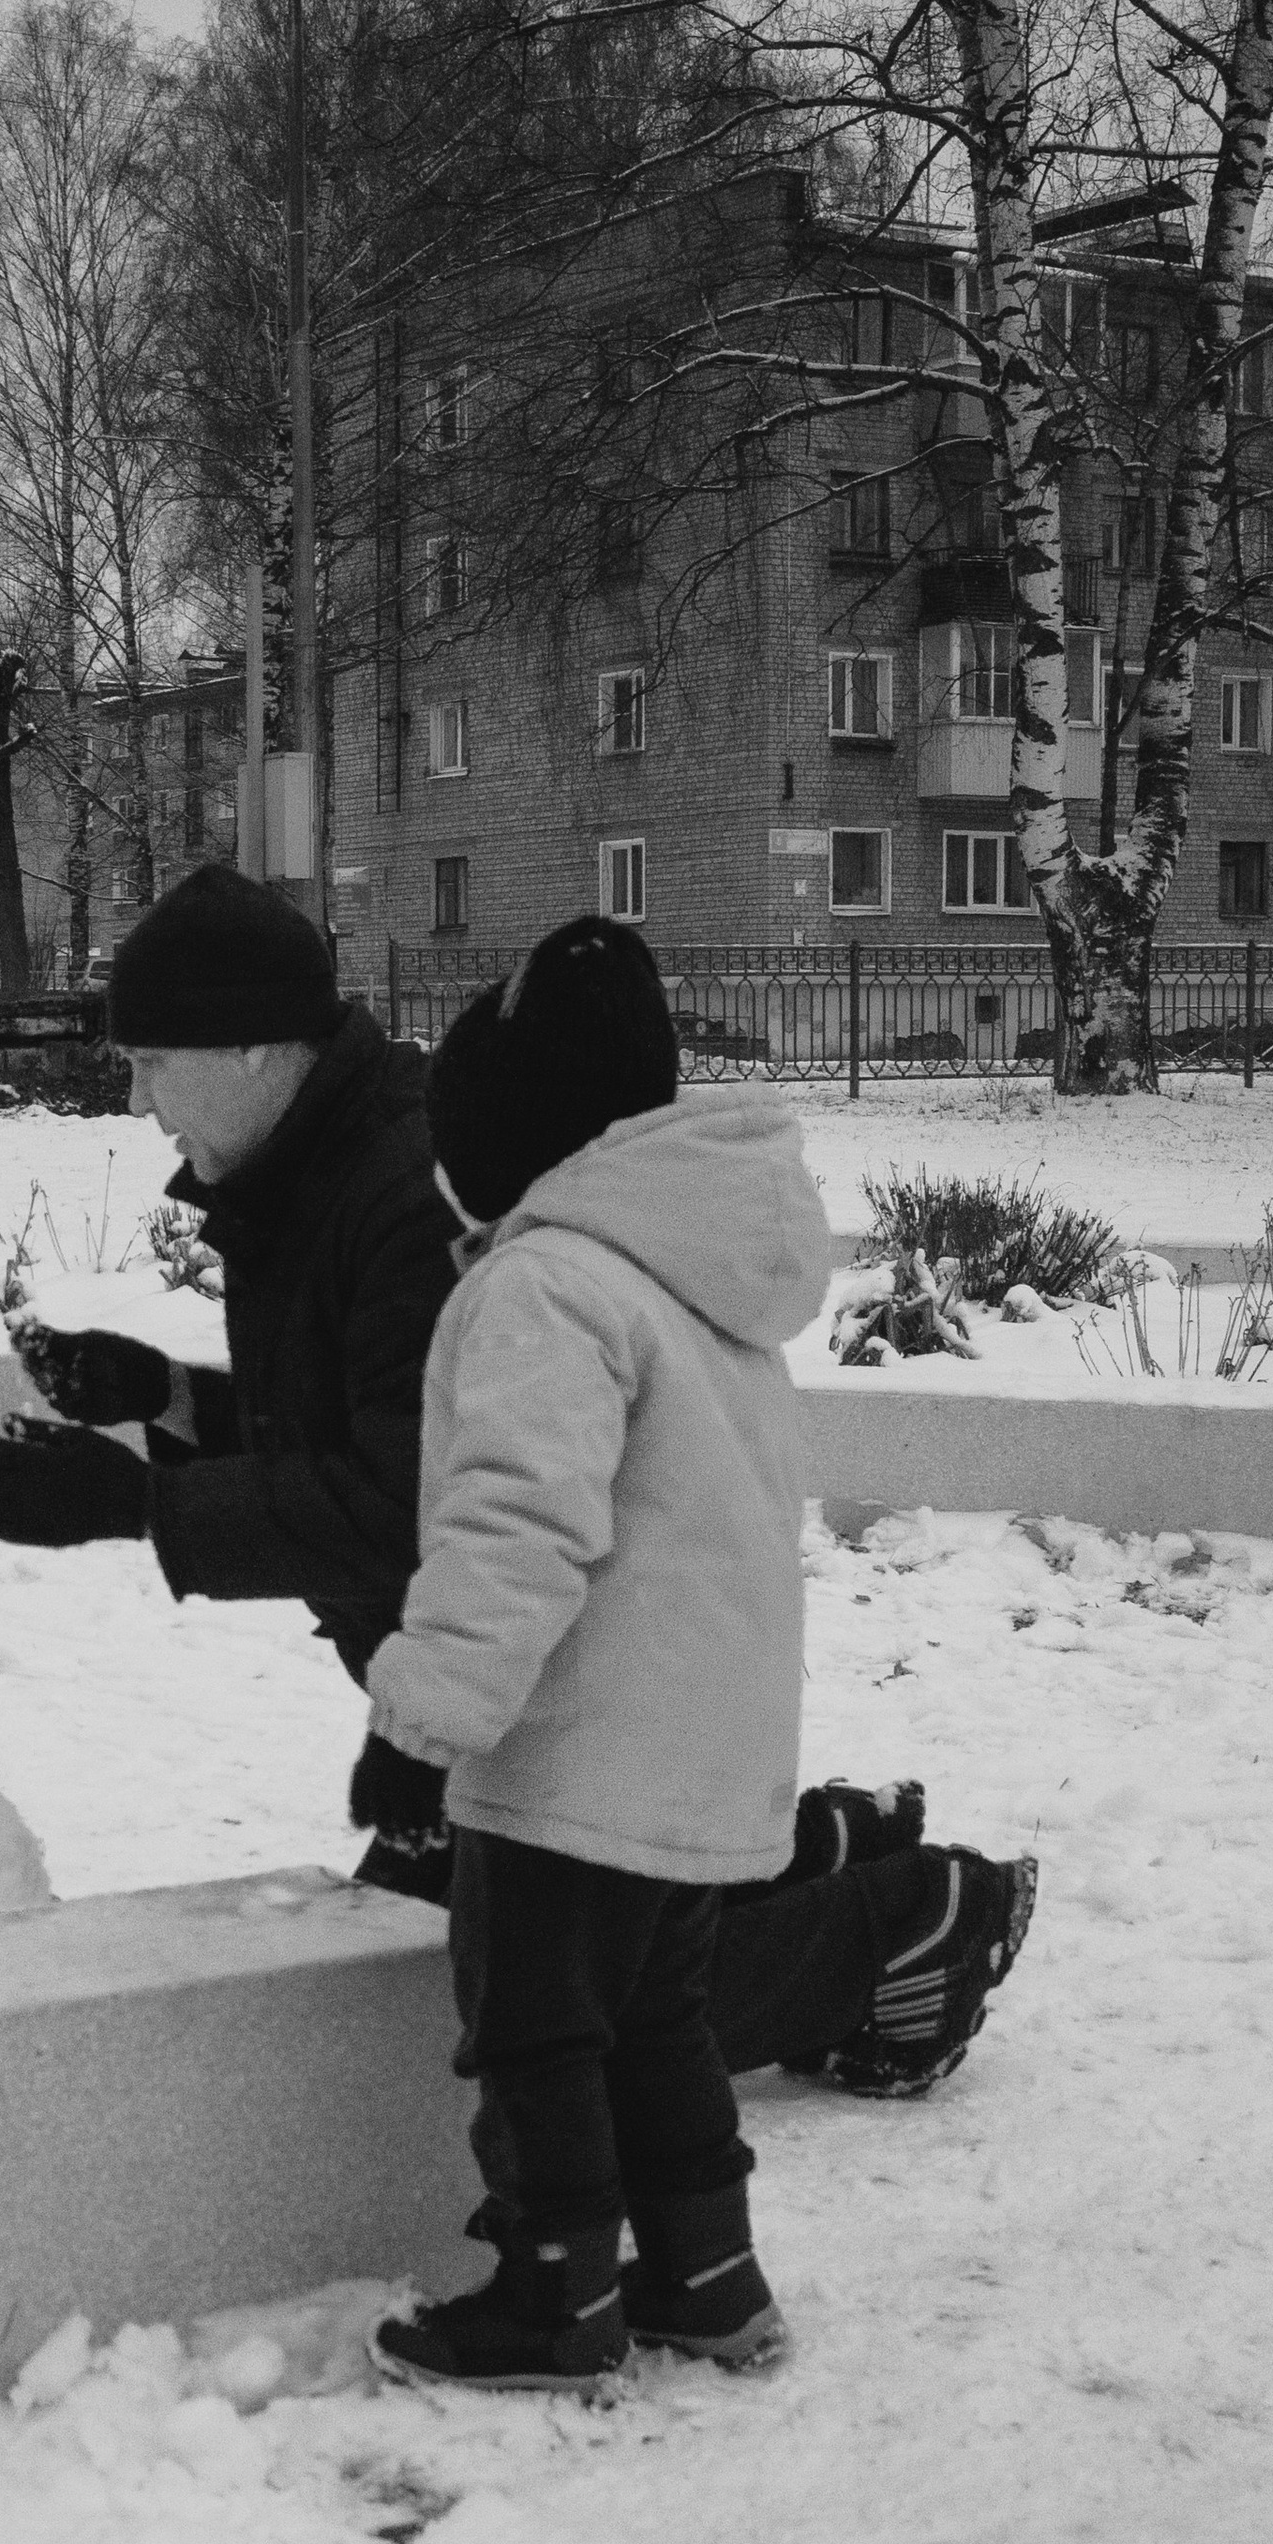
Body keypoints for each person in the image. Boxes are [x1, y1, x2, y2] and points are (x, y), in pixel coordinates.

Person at [0, 863, 1034, 2099]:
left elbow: (408, 1505)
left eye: (150, 1060)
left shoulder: (415, 1198)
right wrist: (162, 1394)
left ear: (253, 1048)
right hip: (528, 1688)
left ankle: (909, 1932)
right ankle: (811, 1854)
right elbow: (356, 1425)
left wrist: (138, 1508)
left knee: (498, 2015)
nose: (136, 1099)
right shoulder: (303, 1174)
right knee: (479, 1961)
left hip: (559, 1685)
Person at [365, 919, 823, 2385]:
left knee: (536, 2027)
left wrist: (423, 1721)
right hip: (705, 1745)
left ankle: (553, 2292)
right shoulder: (695, 1273)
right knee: (656, 2018)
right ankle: (707, 2270)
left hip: (580, 1744)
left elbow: (519, 1525)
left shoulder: (547, 1284)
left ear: (514, 1135)